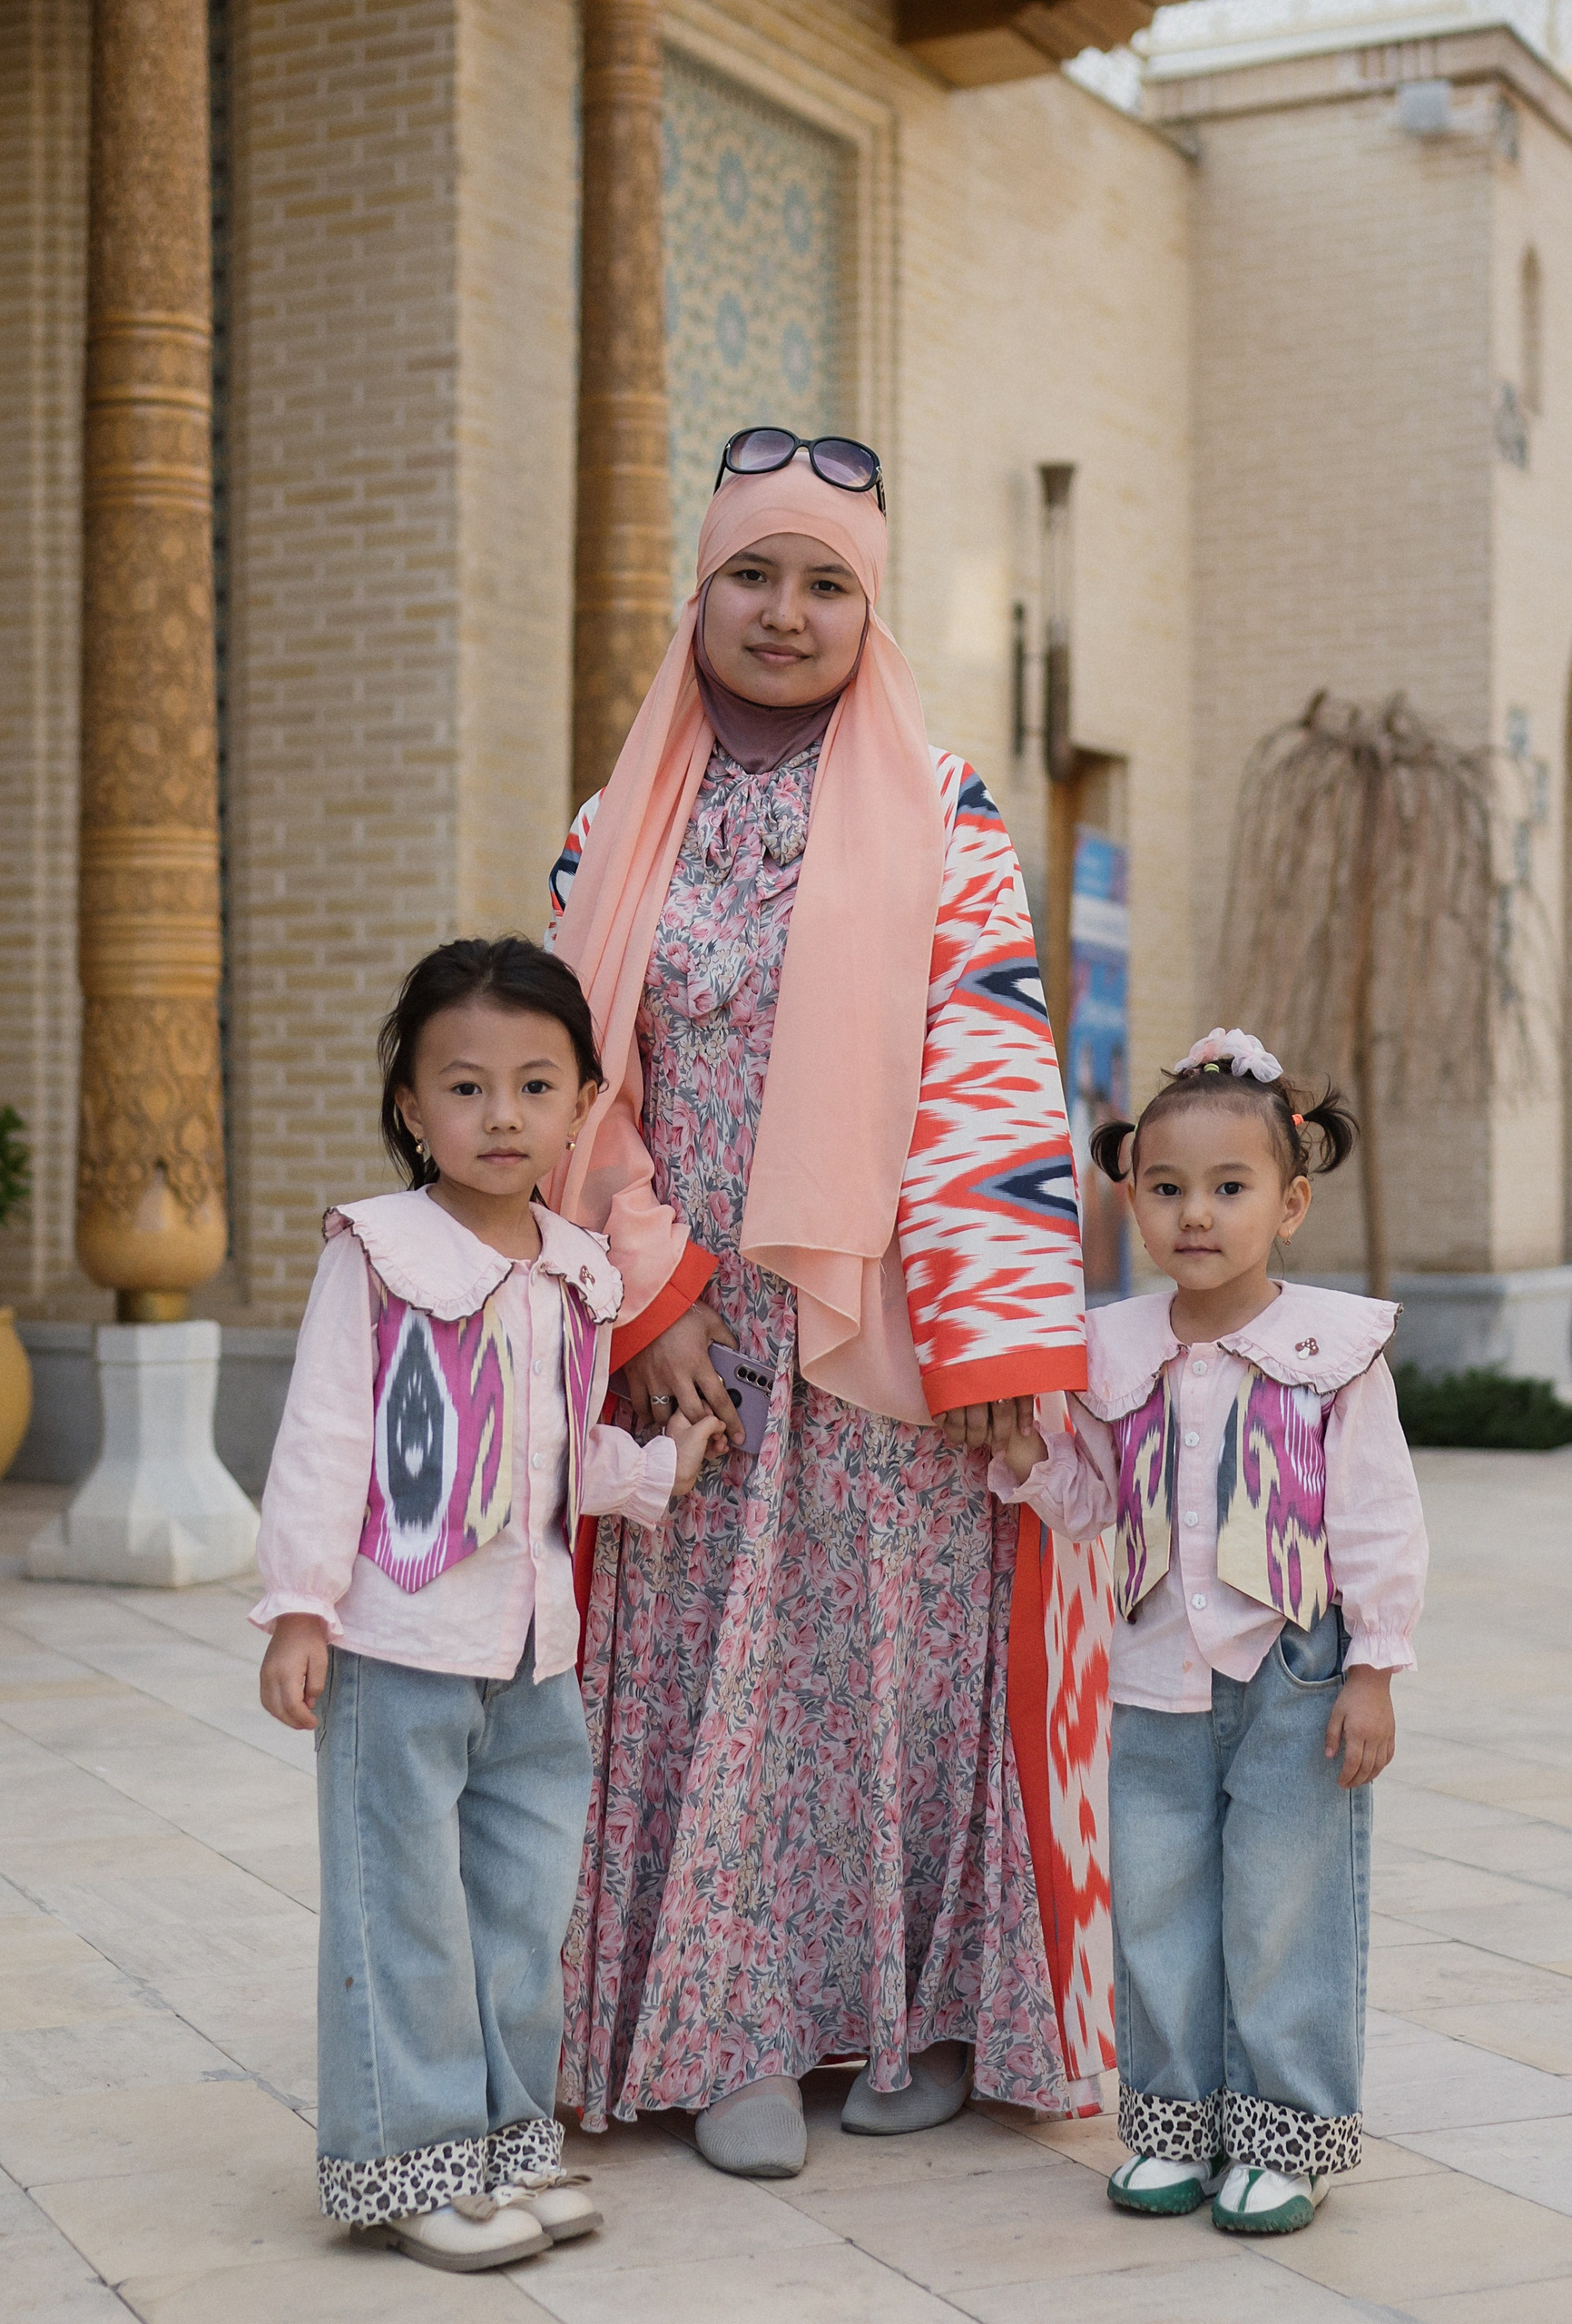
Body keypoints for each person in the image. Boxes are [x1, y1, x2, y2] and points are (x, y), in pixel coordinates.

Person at [546, 428, 1104, 2180]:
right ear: (698, 593)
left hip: (890, 1335)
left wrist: (1006, 1341)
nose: (785, 614)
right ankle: (724, 2035)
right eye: (752, 575)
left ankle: (908, 2014)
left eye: (827, 584)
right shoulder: (613, 823)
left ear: (871, 612)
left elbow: (993, 1067)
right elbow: (566, 1082)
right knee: (707, 1685)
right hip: (696, 1339)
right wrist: (653, 1298)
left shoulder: (949, 812)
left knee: (891, 1683)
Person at [251, 937, 722, 2273]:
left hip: (533, 1654)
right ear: (410, 1106)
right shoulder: (378, 1253)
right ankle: (413, 2162)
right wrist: (300, 1608)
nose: (502, 1116)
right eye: (466, 1088)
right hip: (398, 1643)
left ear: (582, 1104)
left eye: (535, 1085)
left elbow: (562, 1442)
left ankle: (510, 2137)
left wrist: (653, 1472)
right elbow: (328, 1433)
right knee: (403, 1905)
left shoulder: (576, 1268)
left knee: (520, 1906)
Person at [994, 1029, 1427, 2236]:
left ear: (1289, 1205)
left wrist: (1375, 1670)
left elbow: (1379, 1517)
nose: (1197, 1215)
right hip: (1150, 1676)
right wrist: (1030, 1461)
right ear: (1131, 1196)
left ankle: (1287, 2134)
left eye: (1230, 1189)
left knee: (1284, 1900)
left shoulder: (1331, 1354)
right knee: (1159, 1901)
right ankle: (1174, 2124)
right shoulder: (1115, 1351)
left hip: (1295, 1667)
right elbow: (1095, 1503)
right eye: (1168, 1189)